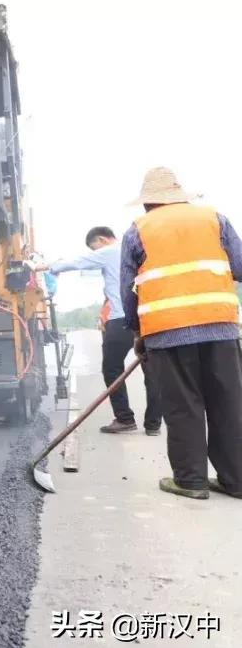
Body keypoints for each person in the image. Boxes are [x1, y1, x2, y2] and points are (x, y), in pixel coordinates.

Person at [121, 167, 242, 500]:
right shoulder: (215, 219)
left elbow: (128, 292)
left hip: (167, 333)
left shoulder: (138, 231)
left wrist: (138, 334)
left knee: (183, 405)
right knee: (228, 403)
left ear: (148, 204)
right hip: (220, 328)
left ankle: (191, 481)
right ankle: (236, 480)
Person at [37, 226, 161, 435]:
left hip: (122, 319)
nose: (95, 252)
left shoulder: (110, 251)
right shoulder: (140, 249)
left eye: (95, 247)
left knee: (112, 368)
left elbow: (77, 262)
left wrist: (49, 267)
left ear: (102, 240)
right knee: (153, 371)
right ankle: (153, 424)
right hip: (149, 317)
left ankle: (125, 418)